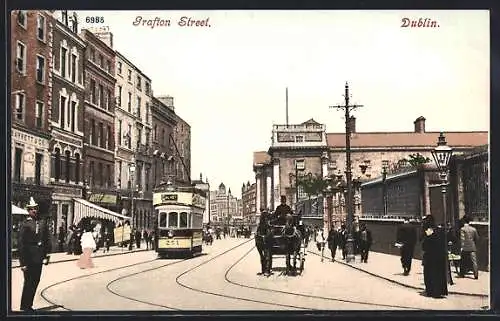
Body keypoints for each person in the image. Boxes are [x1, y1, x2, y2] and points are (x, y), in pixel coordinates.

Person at [17, 197, 51, 312]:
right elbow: (21, 245)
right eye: (32, 209)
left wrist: (46, 255)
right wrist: (23, 263)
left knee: (35, 281)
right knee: (28, 282)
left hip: (39, 258)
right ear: (28, 210)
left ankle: (29, 305)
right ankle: (24, 306)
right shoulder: (25, 224)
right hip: (29, 258)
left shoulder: (42, 223)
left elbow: (46, 240)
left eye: (35, 209)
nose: (34, 211)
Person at [422, 214, 448, 298]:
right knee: (440, 273)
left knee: (430, 273)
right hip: (441, 255)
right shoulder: (440, 230)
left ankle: (431, 291)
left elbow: (425, 244)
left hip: (431, 256)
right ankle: (440, 291)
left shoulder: (429, 231)